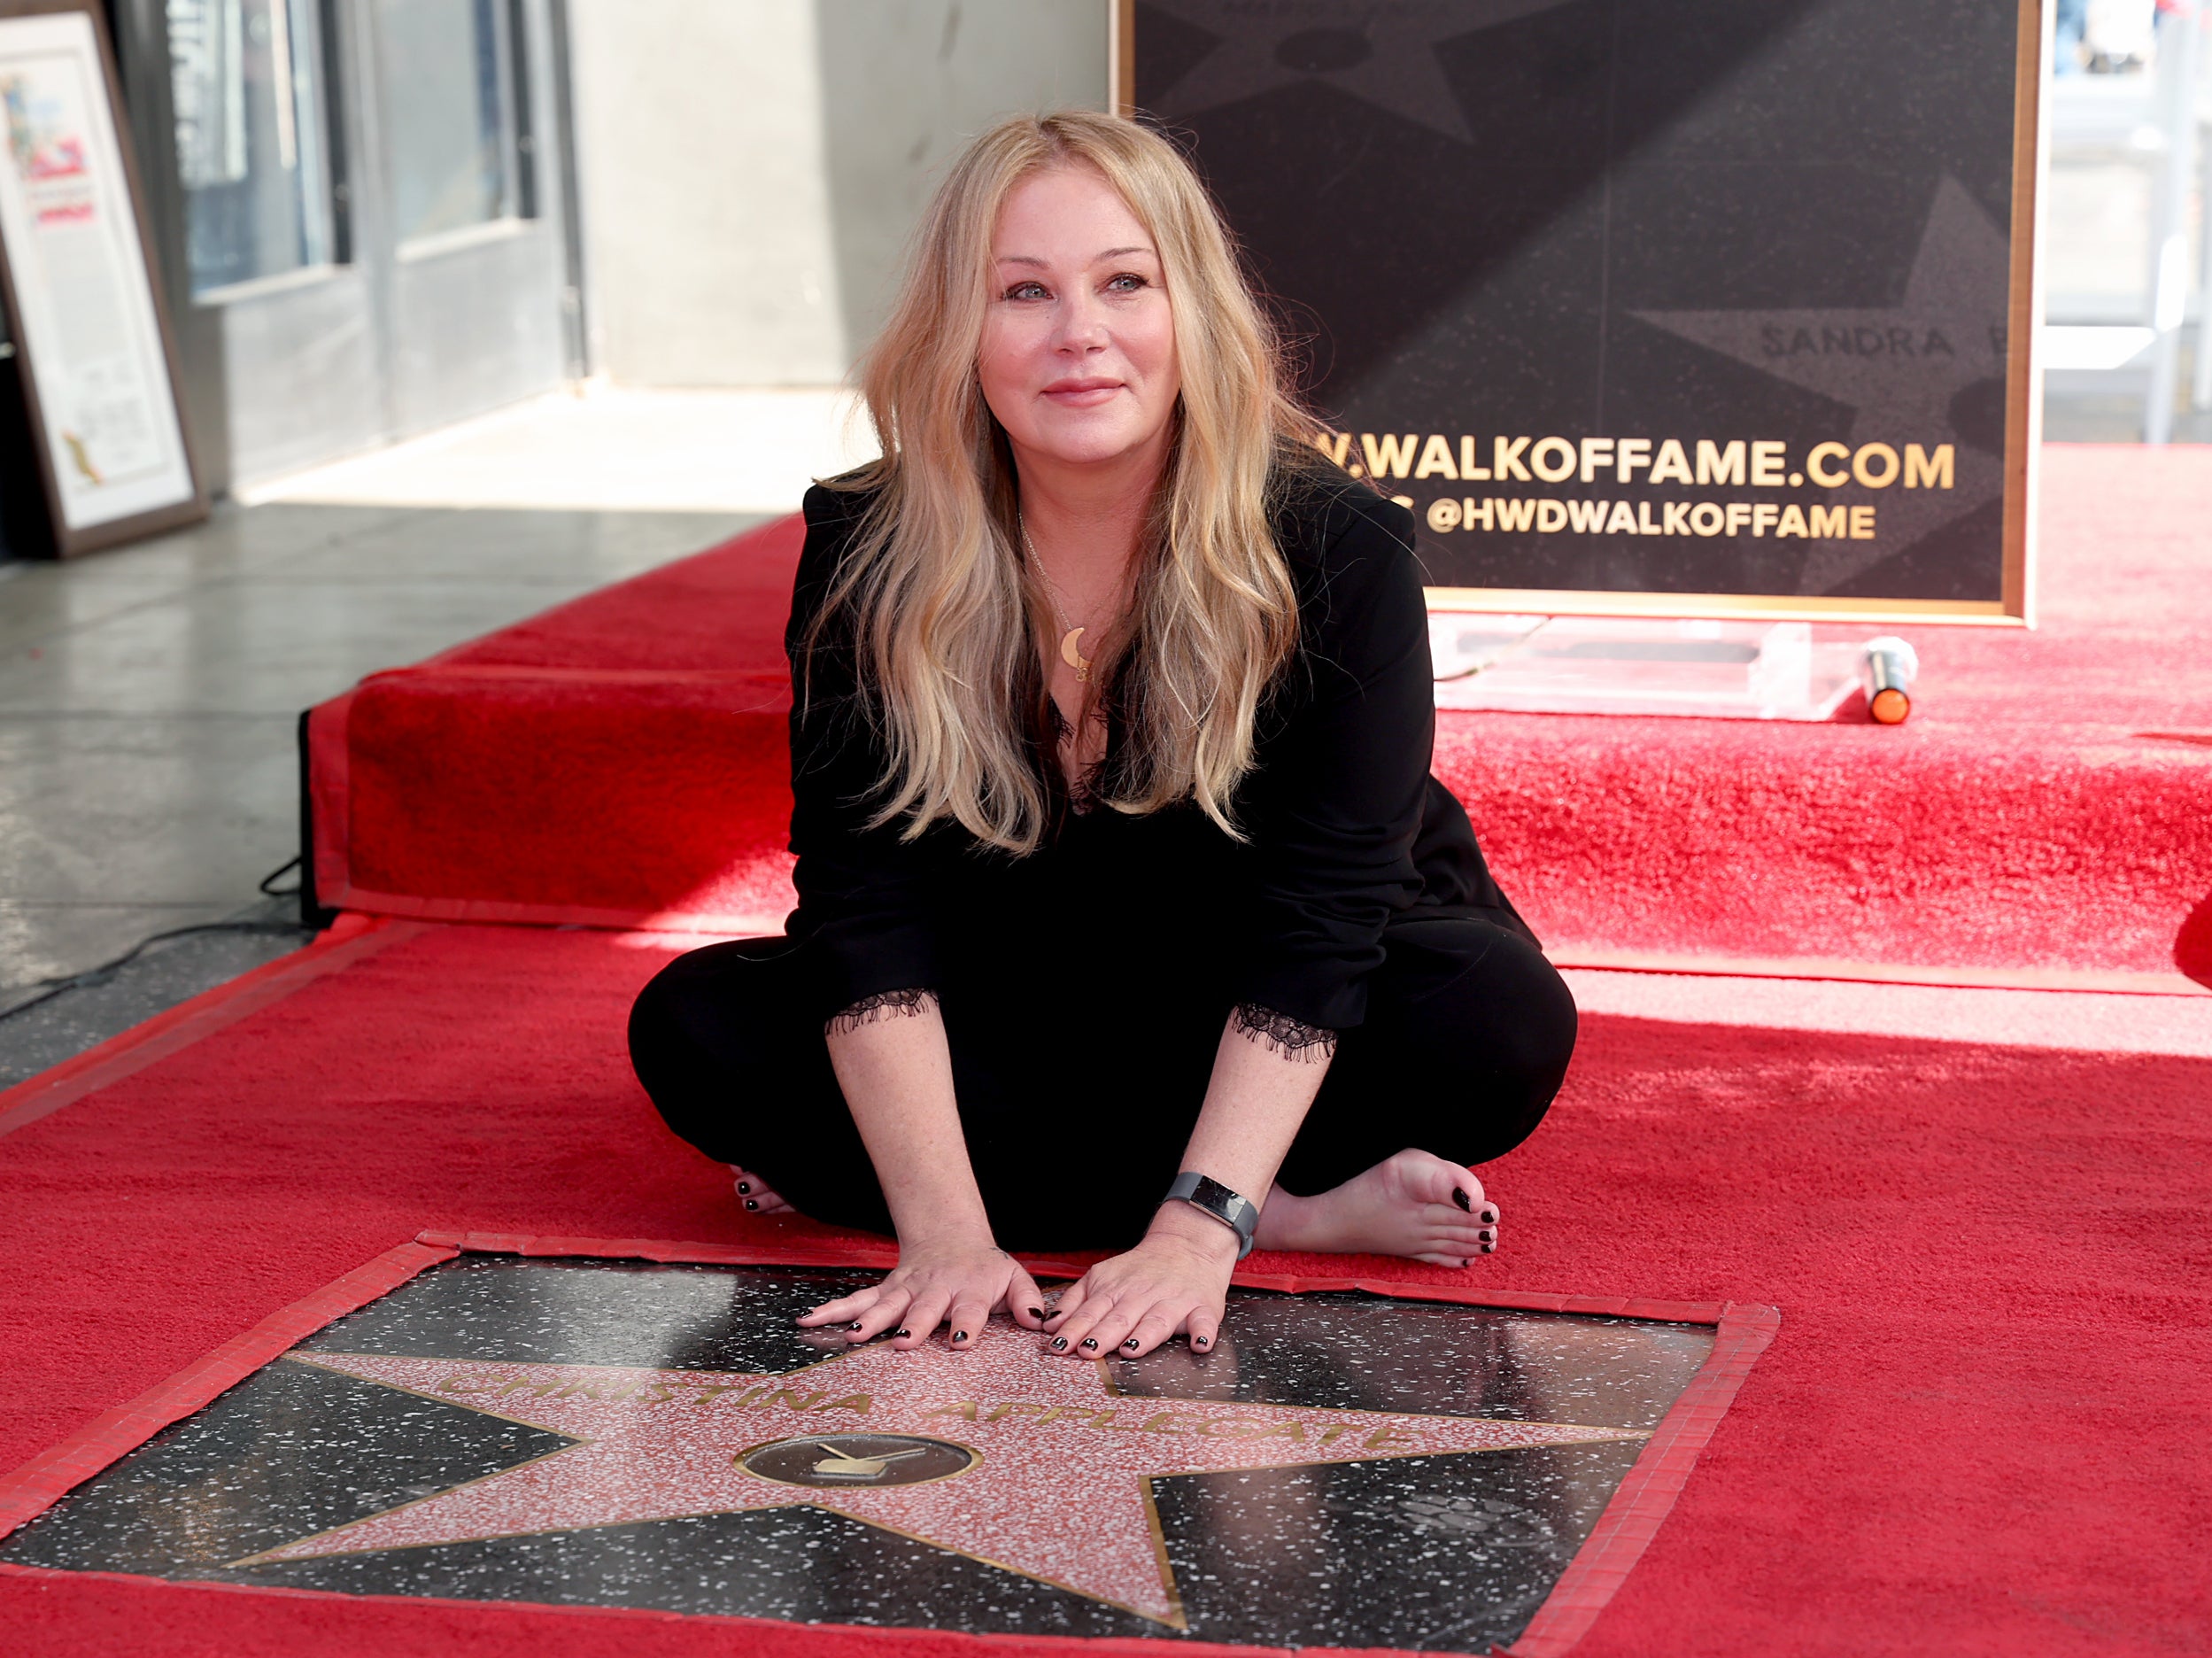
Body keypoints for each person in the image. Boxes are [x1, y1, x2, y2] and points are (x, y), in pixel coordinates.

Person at [628, 112, 1575, 1363]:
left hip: (1265, 974)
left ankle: (1207, 1204)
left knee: (1497, 1022)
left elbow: (1323, 924)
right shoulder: (869, 544)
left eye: (1124, 282)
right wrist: (942, 1235)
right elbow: (866, 904)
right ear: (958, 330)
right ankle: (1284, 1210)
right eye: (1022, 292)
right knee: (695, 1030)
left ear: (1193, 308)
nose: (1079, 335)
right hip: (1018, 979)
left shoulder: (1337, 546)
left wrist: (1196, 1233)